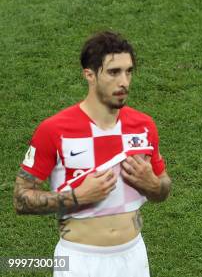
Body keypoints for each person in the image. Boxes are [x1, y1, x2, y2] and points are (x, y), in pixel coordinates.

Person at [13, 31, 171, 276]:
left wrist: (153, 185)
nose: (124, 82)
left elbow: (163, 189)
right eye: (113, 72)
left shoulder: (144, 126)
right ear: (89, 75)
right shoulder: (54, 130)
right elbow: (21, 199)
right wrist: (77, 196)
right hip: (79, 261)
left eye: (128, 71)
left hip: (133, 258)